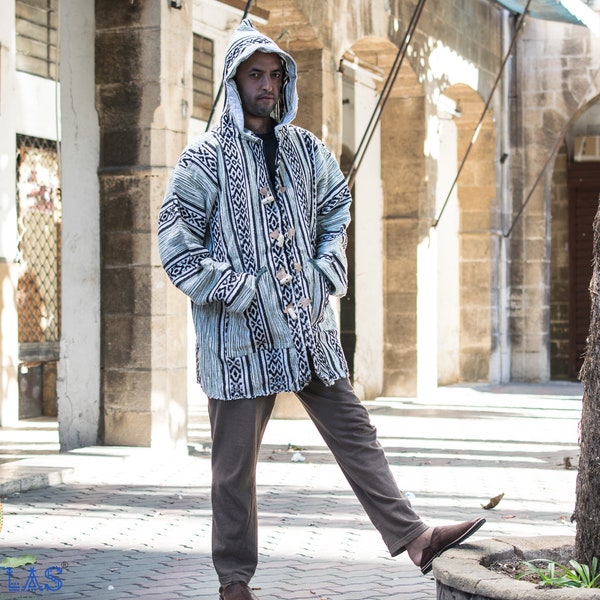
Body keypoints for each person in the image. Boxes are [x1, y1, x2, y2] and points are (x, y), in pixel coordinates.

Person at [158, 19, 485, 600]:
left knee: (356, 432)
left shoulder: (307, 151)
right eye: (254, 75)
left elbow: (336, 207)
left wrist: (324, 271)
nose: (267, 85)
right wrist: (241, 289)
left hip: (308, 331)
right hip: (240, 342)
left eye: (274, 75)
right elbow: (176, 245)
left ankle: (415, 538)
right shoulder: (203, 161)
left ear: (286, 81)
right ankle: (234, 583)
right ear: (234, 83)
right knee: (234, 469)